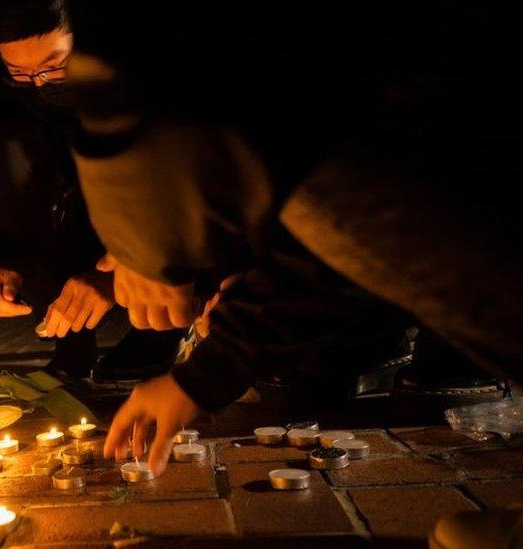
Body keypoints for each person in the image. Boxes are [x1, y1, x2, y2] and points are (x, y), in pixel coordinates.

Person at [61, 1, 520, 478]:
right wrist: (195, 379)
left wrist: (150, 253)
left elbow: (330, 259)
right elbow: (318, 263)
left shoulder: (356, 139)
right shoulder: (306, 135)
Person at [0, 0, 184, 381]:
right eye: (20, 72)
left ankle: (160, 326)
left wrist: (121, 273)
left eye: (54, 66)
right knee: (8, 152)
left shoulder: (139, 68)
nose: (39, 83)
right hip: (60, 227)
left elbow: (187, 186)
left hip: (146, 225)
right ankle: (70, 333)